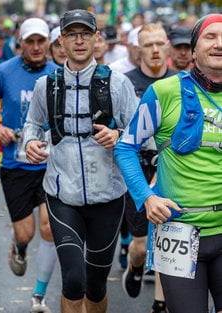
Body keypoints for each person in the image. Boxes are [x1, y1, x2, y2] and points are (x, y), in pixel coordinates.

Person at [24, 10, 138, 313]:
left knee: (96, 284)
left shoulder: (117, 84)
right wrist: (31, 143)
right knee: (74, 280)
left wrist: (117, 135)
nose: (78, 40)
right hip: (63, 195)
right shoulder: (45, 85)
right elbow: (32, 125)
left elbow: (141, 132)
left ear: (96, 38)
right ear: (61, 40)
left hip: (108, 196)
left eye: (85, 33)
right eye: (71, 34)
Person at [115, 13, 222, 313]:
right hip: (179, 231)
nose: (219, 44)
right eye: (210, 37)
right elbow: (125, 148)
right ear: (193, 48)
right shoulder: (164, 92)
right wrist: (146, 197)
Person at [0, 17, 58, 313]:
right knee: (27, 233)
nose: (36, 47)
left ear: (48, 43)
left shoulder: (58, 73)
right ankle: (18, 245)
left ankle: (38, 296)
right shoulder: (4, 72)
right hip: (15, 164)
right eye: (30, 42)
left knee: (50, 230)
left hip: (50, 165)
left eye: (41, 41)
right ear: (20, 43)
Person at [120, 23, 178, 313]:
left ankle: (161, 302)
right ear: (137, 49)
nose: (154, 50)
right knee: (141, 245)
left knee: (168, 241)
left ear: (166, 46)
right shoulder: (123, 82)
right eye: (147, 45)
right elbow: (117, 131)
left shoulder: (181, 82)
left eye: (159, 44)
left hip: (169, 170)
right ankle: (136, 264)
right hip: (136, 171)